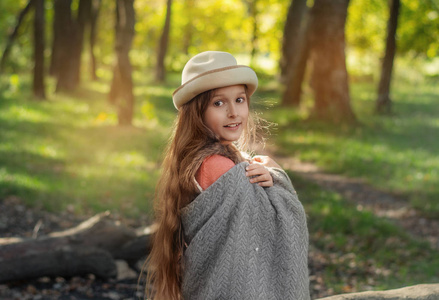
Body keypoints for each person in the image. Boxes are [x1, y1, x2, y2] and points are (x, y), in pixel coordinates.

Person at [146, 51, 309, 300]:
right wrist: (277, 176)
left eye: (240, 100)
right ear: (196, 112)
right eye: (218, 103)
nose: (233, 112)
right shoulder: (217, 166)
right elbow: (269, 226)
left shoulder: (203, 159)